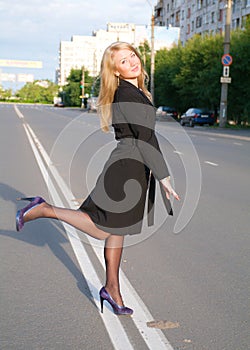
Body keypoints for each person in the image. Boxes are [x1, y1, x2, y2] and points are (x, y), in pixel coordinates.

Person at [16, 42, 180, 316]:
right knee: (103, 228)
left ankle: (111, 290)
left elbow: (148, 137)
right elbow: (145, 138)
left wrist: (158, 174)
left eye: (133, 56)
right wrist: (164, 177)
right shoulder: (127, 93)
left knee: (118, 230)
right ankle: (44, 209)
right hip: (127, 168)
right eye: (124, 61)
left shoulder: (136, 90)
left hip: (134, 168)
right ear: (115, 71)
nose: (132, 62)